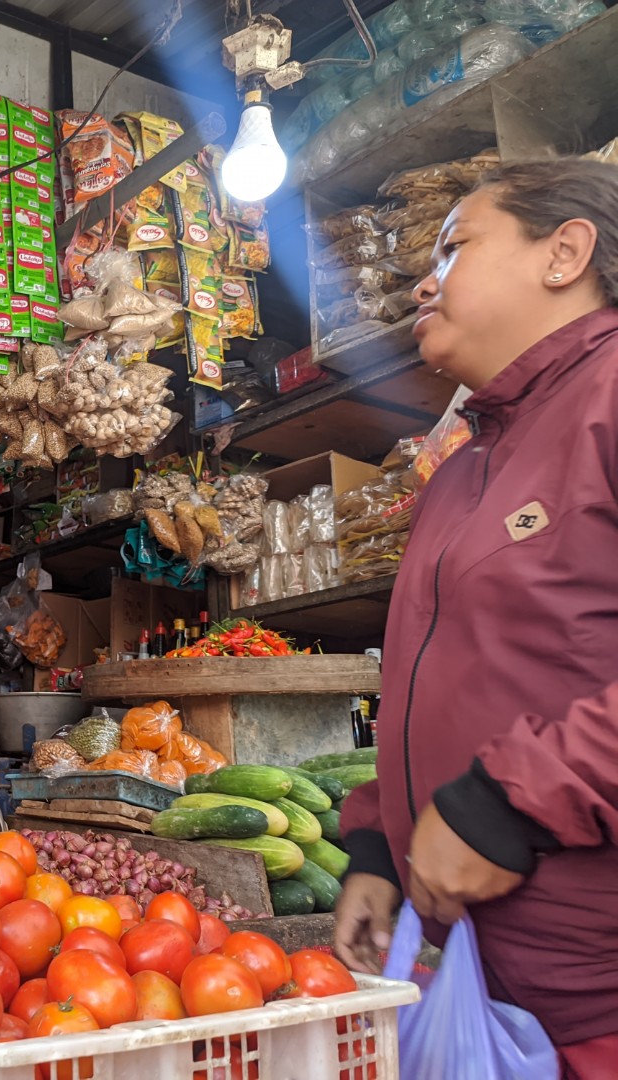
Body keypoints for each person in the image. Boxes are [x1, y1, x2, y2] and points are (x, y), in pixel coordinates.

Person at [334, 158, 618, 1077]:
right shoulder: (461, 468)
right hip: (481, 981)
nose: (427, 278)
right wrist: (378, 841)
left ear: (564, 253)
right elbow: (429, 672)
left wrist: (507, 802)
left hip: (597, 993)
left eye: (455, 246)